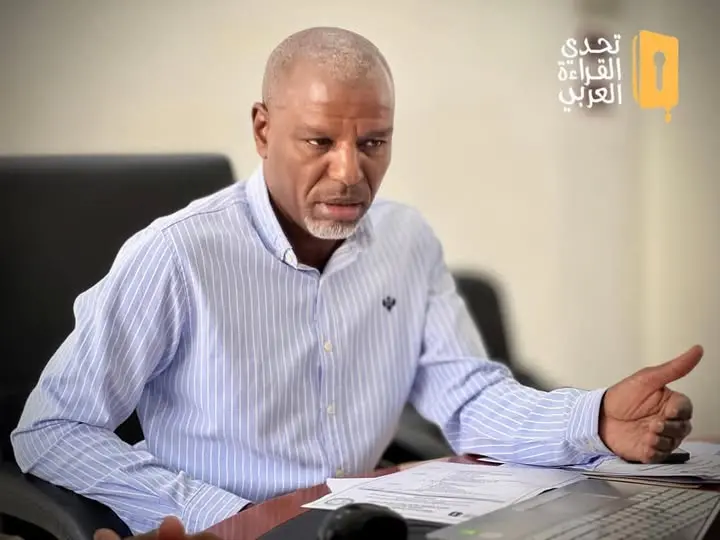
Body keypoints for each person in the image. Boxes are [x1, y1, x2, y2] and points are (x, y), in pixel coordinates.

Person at [12, 26, 701, 540]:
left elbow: (468, 398)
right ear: (263, 129)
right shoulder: (176, 254)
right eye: (320, 142)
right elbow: (52, 428)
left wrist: (595, 419)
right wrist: (221, 514)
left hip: (363, 525)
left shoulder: (406, 241)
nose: (350, 173)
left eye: (373, 143)